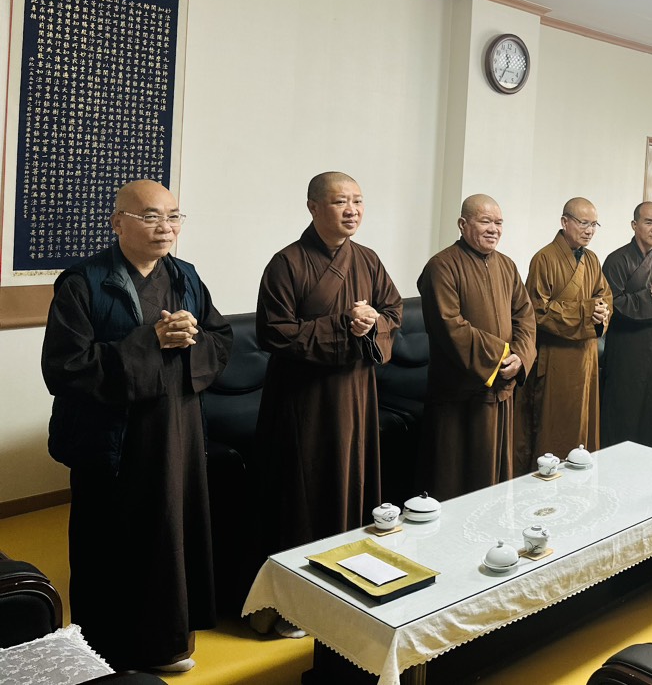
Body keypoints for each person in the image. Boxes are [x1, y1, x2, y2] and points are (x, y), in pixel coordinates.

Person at [42, 180, 232, 673]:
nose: (165, 227)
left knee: (173, 535)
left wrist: (192, 339)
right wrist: (151, 342)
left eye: (173, 216)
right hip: (114, 440)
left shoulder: (186, 276)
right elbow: (65, 367)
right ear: (118, 223)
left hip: (177, 433)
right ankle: (108, 649)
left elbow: (221, 338)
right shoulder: (82, 283)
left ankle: (170, 643)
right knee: (110, 543)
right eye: (150, 216)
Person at [256, 173, 403, 563]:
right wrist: (342, 326)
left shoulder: (368, 259)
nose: (352, 210)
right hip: (304, 396)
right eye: (340, 201)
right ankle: (298, 575)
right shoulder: (286, 263)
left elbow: (393, 311)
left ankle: (351, 559)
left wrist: (373, 322)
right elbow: (273, 332)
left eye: (358, 200)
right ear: (313, 207)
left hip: (355, 391)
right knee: (303, 483)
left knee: (352, 474)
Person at [419, 194, 536, 499]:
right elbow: (450, 326)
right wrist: (502, 357)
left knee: (497, 483)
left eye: (498, 222)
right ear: (463, 224)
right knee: (455, 481)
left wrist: (520, 356)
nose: (494, 229)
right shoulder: (441, 266)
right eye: (485, 221)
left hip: (502, 387)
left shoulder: (506, 266)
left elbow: (525, 316)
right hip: (460, 394)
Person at [515, 197, 611, 470]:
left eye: (594, 225)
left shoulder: (592, 259)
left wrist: (602, 313)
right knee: (554, 425)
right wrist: (587, 312)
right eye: (584, 223)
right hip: (556, 356)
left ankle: (582, 477)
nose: (589, 230)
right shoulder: (544, 258)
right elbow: (538, 311)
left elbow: (604, 297)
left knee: (584, 424)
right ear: (564, 222)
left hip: (586, 357)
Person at [601, 202, 652, 449]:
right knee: (626, 405)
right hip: (628, 346)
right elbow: (612, 303)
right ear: (634, 225)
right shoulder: (617, 260)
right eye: (649, 222)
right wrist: (648, 298)